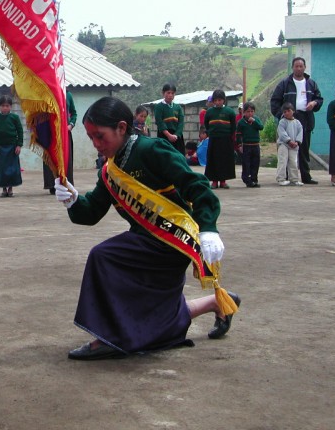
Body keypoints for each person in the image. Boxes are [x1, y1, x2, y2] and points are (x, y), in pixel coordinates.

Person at [53, 96, 240, 361]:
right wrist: (72, 201)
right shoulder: (109, 171)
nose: (95, 144)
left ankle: (108, 337)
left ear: (121, 127)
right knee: (152, 318)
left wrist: (209, 228)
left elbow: (196, 185)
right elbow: (91, 212)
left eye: (99, 136)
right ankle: (218, 303)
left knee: (103, 257)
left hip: (172, 242)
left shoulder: (152, 150)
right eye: (90, 137)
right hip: (145, 240)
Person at [270, 57, 323, 184]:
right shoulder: (284, 83)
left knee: (304, 148)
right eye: (296, 66)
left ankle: (306, 176)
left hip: (306, 118)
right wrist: (282, 115)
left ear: (305, 67)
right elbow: (274, 101)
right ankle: (287, 176)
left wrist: (314, 103)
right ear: (292, 67)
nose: (299, 68)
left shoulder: (311, 83)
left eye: (301, 66)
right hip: (288, 120)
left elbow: (320, 99)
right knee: (287, 148)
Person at [43, 90, 77, 194]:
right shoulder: (46, 92)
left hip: (64, 133)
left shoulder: (68, 95)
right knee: (51, 157)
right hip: (50, 132)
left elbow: (74, 113)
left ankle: (66, 183)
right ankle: (52, 184)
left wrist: (70, 125)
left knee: (65, 158)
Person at [0, 95, 23, 197]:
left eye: (7, 106)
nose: (5, 108)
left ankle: (10, 188)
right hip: (0, 147)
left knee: (12, 169)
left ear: (11, 107)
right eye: (3, 106)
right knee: (2, 169)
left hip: (12, 147)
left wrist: (19, 145)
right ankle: (4, 189)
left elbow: (20, 131)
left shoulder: (15, 118)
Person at [204, 89, 236, 189]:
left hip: (226, 139)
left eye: (220, 100)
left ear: (224, 100)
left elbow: (233, 126)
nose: (218, 102)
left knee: (224, 160)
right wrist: (211, 133)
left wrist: (231, 137)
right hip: (213, 139)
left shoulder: (229, 112)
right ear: (213, 101)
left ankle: (223, 181)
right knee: (213, 160)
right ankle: (214, 182)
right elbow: (206, 124)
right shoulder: (209, 112)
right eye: (216, 100)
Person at [236, 101, 264, 188]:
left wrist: (254, 121)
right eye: (248, 111)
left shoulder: (256, 119)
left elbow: (261, 127)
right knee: (246, 163)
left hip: (255, 145)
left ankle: (254, 179)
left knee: (255, 163)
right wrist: (240, 145)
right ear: (244, 112)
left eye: (252, 111)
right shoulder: (241, 122)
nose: (250, 113)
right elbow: (238, 134)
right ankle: (247, 179)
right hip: (247, 145)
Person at [276, 103, 303, 186]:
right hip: (283, 144)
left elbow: (300, 132)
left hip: (294, 145)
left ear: (293, 111)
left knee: (294, 162)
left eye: (289, 111)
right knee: (282, 161)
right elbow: (282, 133)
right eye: (285, 112)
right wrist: (289, 141)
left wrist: (297, 142)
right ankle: (281, 179)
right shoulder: (282, 122)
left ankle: (294, 179)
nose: (287, 113)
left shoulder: (297, 122)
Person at [154, 83, 185, 154]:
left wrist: (176, 135)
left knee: (178, 156)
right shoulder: (159, 107)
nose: (170, 95)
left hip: (177, 136)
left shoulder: (178, 107)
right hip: (164, 136)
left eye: (172, 93)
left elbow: (181, 123)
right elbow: (160, 123)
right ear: (163, 93)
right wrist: (169, 135)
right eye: (168, 93)